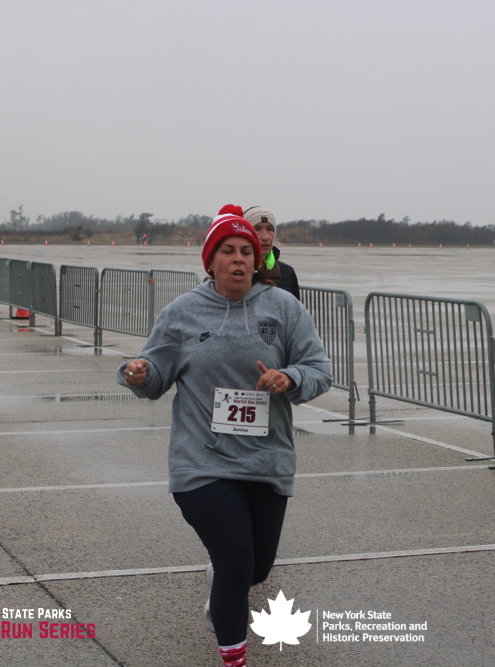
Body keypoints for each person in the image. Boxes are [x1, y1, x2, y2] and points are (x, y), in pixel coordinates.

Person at [117, 205, 332, 667]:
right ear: (211, 262)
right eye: (228, 251)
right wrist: (139, 373)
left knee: (255, 568)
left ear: (257, 261)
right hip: (202, 462)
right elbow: (154, 372)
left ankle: (222, 588)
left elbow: (319, 370)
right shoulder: (183, 312)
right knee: (235, 563)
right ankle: (234, 658)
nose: (238, 259)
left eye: (245, 252)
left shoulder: (284, 308)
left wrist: (290, 377)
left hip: (266, 460)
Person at [244, 206, 300, 300]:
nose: (265, 237)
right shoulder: (238, 270)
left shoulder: (287, 272)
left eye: (269, 229)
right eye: (257, 229)